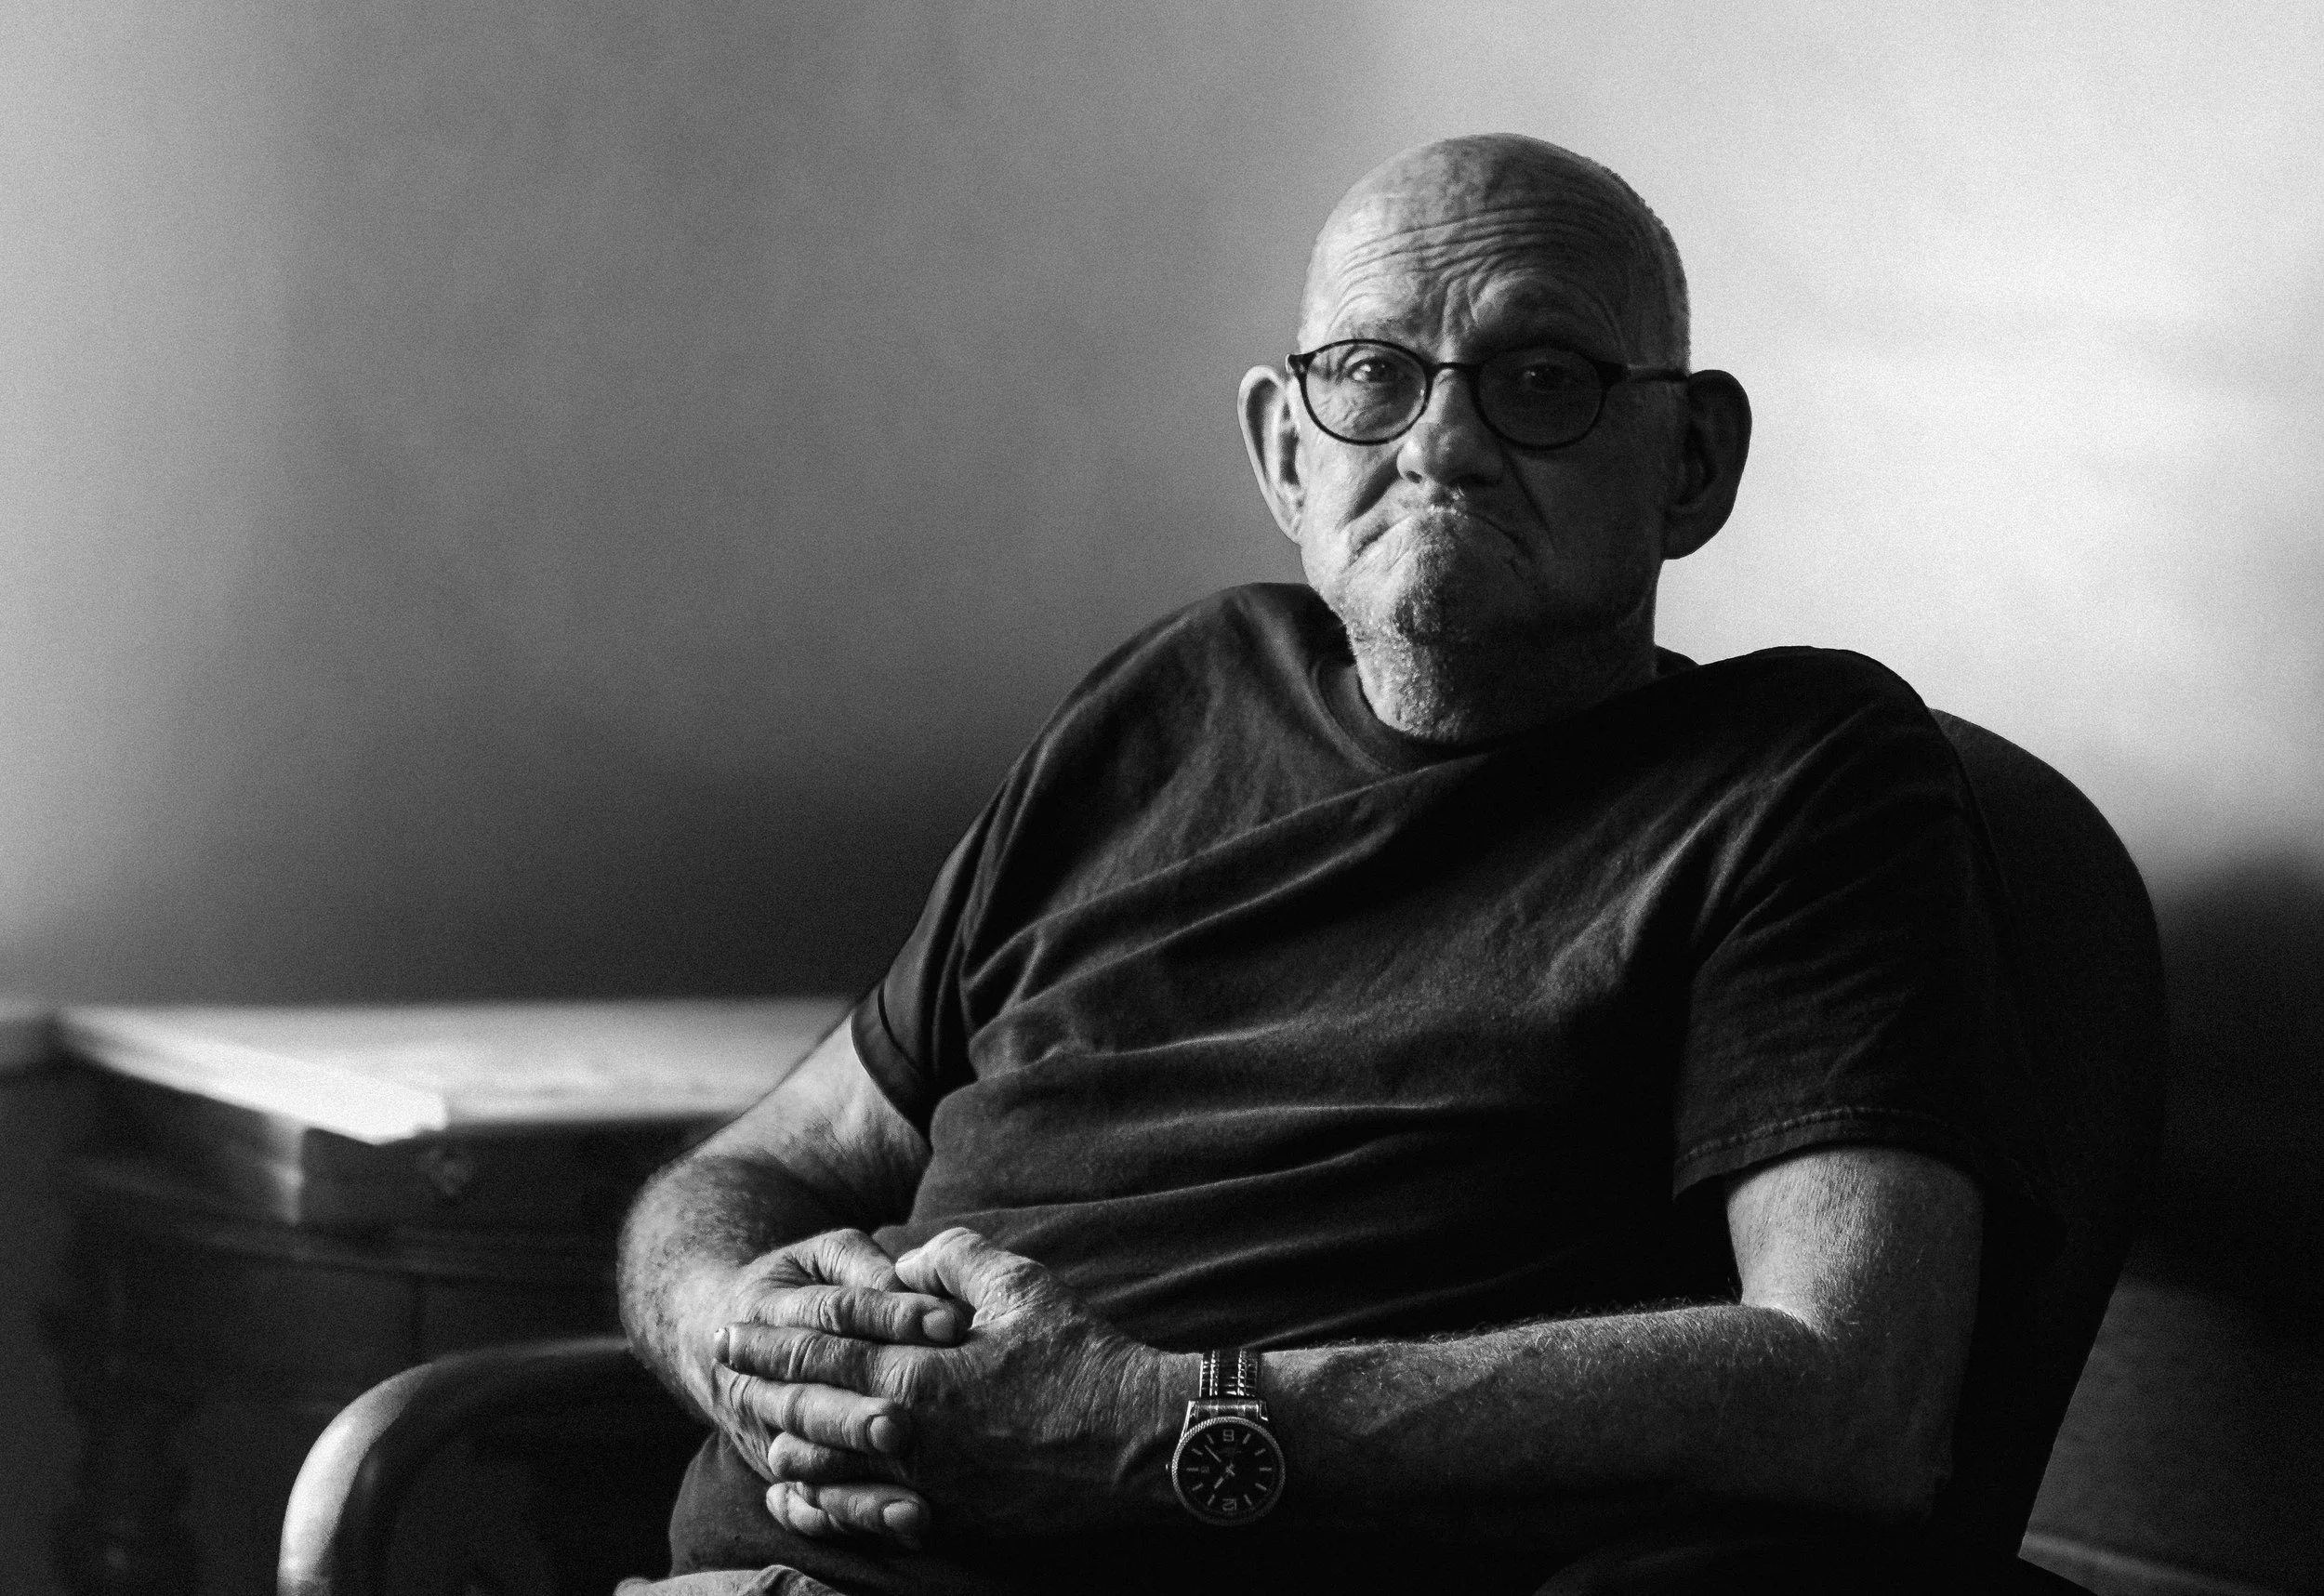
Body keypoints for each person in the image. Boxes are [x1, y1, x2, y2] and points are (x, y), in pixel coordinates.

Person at [615, 134, 2047, 1596]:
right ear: (1286, 452)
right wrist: (743, 1345)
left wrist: (1158, 1429)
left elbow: (1853, 1393)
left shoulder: (1800, 772)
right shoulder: (1169, 698)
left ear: (1692, 462)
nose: (1441, 442)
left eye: (1543, 378)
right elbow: (772, 1163)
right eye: (1371, 374)